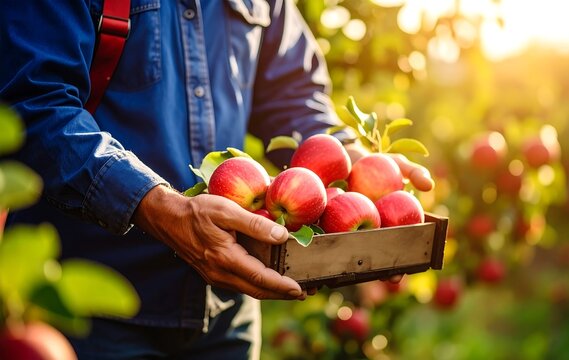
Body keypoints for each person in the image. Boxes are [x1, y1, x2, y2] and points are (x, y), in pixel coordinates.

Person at [0, 0, 434, 358]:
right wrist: (157, 205)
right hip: (91, 307)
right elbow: (34, 104)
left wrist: (345, 160)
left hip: (229, 312)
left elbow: (294, 98)